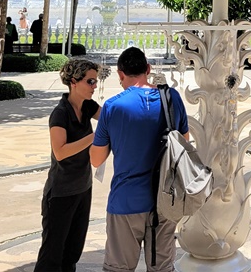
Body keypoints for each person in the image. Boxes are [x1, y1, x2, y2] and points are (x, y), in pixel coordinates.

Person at [90, 46, 189, 272]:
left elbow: (97, 160)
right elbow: (184, 141)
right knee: (162, 268)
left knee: (119, 268)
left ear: (120, 73)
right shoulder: (171, 97)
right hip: (165, 200)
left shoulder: (113, 106)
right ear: (148, 68)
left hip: (126, 201)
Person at [34, 58, 101, 272]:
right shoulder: (60, 113)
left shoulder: (89, 107)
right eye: (90, 81)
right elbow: (60, 152)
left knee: (72, 253)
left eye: (96, 81)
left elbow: (112, 118)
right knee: (52, 256)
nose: (95, 86)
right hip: (61, 193)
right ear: (74, 82)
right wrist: (93, 137)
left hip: (83, 188)